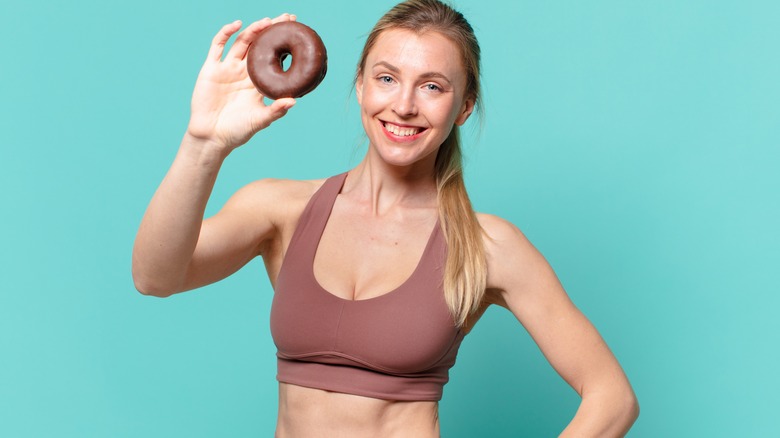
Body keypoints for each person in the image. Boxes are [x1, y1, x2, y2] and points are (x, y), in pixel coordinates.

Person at [132, 0, 639, 436]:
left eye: (433, 87)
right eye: (387, 78)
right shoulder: (281, 209)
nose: (403, 105)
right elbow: (155, 276)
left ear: (464, 107)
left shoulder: (487, 245)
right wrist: (204, 143)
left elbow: (612, 397)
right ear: (360, 85)